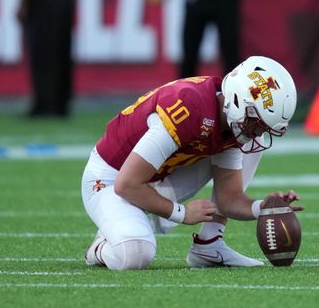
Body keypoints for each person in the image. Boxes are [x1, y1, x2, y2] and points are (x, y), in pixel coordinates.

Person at [82, 55, 303, 270]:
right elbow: (126, 184)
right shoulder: (188, 108)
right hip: (111, 179)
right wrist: (181, 213)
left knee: (250, 146)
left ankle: (209, 244)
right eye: (256, 122)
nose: (258, 132)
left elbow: (229, 199)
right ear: (237, 99)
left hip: (154, 176)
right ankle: (100, 247)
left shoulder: (229, 118)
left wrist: (264, 209)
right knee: (135, 254)